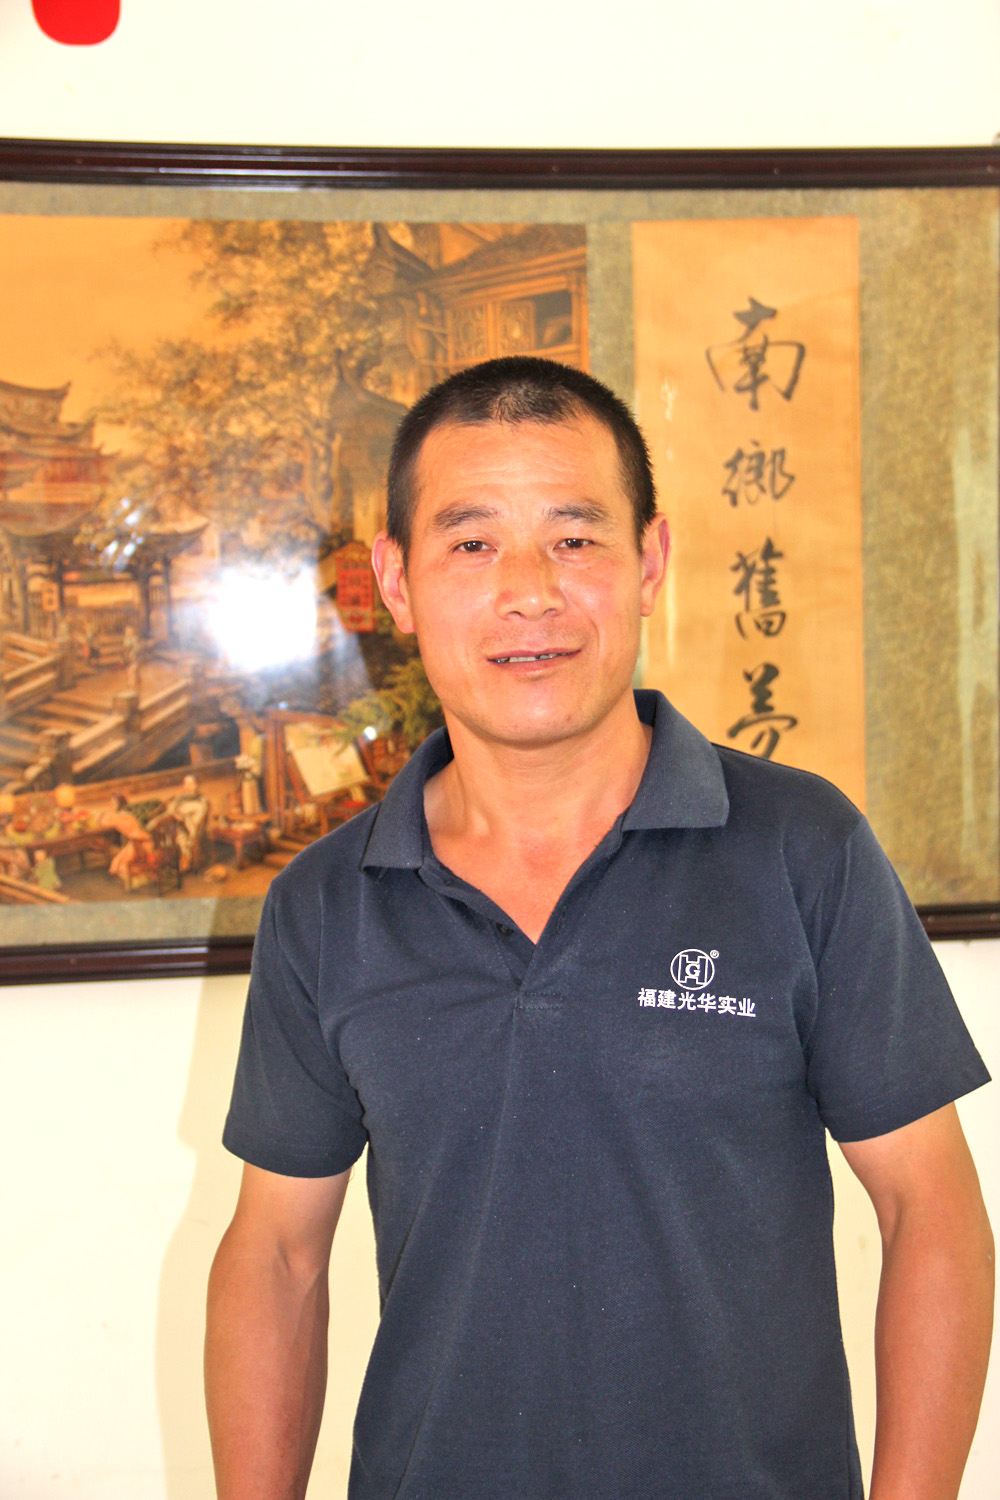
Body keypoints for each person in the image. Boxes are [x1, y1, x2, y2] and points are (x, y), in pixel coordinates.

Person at [206, 357, 993, 1500]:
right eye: (472, 543)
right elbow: (277, 1258)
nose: (530, 591)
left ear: (649, 563)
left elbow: (932, 1213)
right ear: (396, 582)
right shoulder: (326, 906)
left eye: (574, 538)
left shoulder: (800, 850)